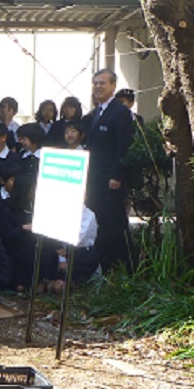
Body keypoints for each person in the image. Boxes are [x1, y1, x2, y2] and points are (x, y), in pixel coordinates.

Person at [85, 69, 135, 273]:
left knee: (114, 225)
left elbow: (123, 147)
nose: (98, 87)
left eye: (102, 83)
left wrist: (116, 175)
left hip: (110, 181)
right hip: (95, 180)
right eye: (95, 83)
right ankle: (105, 268)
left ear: (113, 86)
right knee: (100, 226)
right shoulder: (97, 112)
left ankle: (126, 269)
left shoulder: (120, 112)